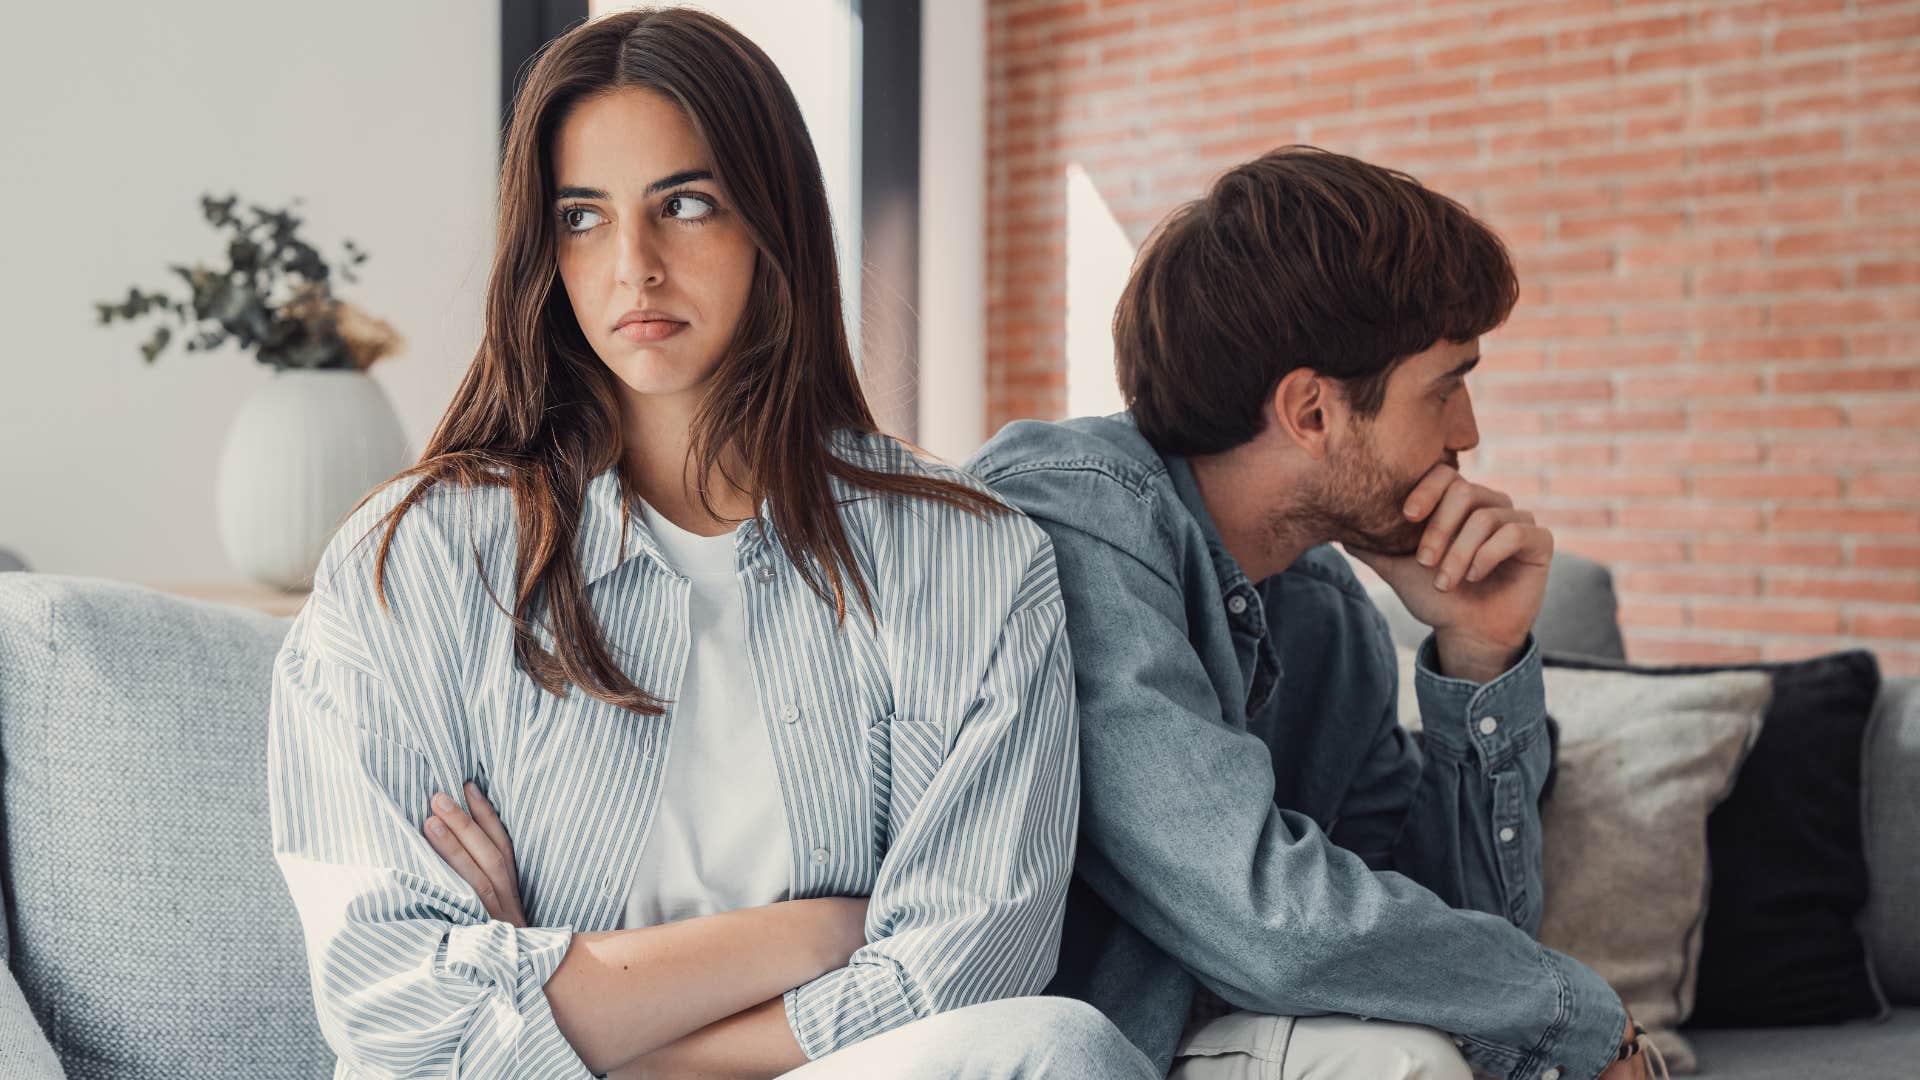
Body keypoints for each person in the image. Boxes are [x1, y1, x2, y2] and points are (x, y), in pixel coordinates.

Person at [267, 8, 1155, 1079]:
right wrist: (821, 931)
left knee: (1055, 1048)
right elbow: (393, 1010)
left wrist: (586, 1016)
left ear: (771, 223)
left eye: (685, 205)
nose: (632, 265)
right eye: (583, 217)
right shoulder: (412, 562)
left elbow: (970, 964)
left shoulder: (970, 561)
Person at [968, 147, 1658, 1080]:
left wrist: (1477, 657)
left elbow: (1436, 949)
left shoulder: (1326, 613)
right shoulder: (1073, 520)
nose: (1469, 433)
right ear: (1311, 411)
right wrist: (1581, 1018)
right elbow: (1269, 917)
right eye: (1447, 386)